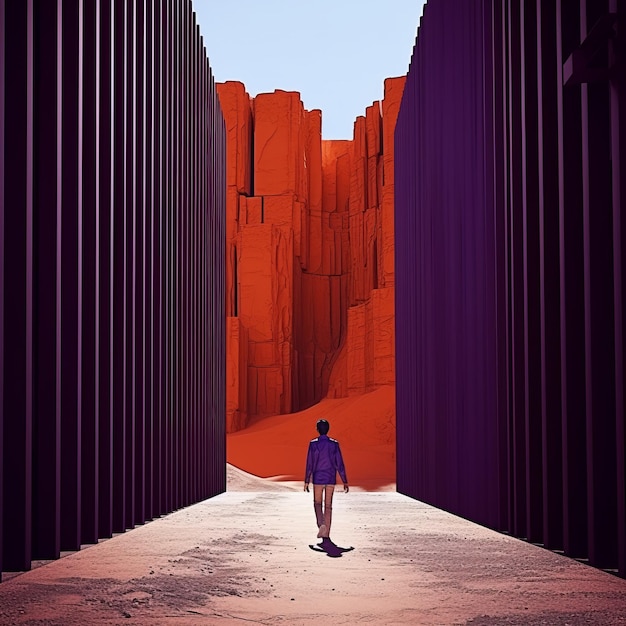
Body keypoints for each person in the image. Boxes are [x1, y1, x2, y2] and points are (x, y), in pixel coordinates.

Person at [304, 419, 349, 544]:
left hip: (318, 478)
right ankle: (326, 533)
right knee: (328, 506)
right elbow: (339, 463)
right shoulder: (334, 444)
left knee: (317, 503)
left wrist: (307, 480)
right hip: (330, 479)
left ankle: (321, 524)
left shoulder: (313, 444)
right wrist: (344, 480)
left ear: (318, 430)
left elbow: (310, 463)